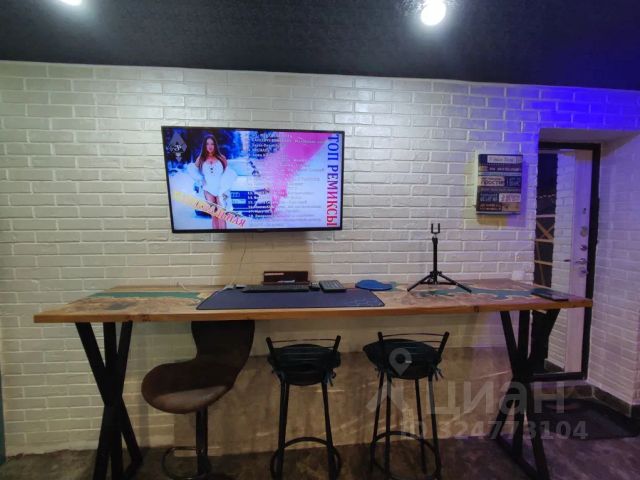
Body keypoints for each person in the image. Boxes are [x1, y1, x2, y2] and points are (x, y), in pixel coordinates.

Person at [195, 135, 228, 229]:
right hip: (208, 189)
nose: (210, 146)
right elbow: (194, 172)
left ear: (215, 145)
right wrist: (201, 180)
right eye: (207, 144)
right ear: (204, 146)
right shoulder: (200, 159)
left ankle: (224, 233)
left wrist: (226, 188)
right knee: (214, 215)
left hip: (220, 189)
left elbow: (226, 174)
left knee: (221, 215)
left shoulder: (222, 158)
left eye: (212, 144)